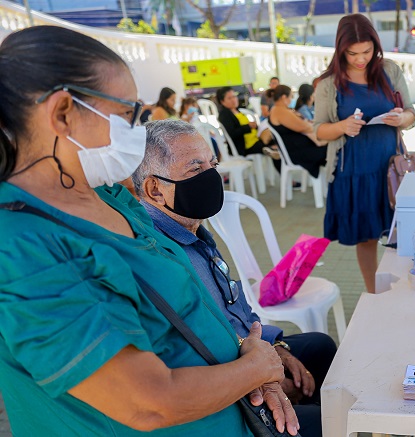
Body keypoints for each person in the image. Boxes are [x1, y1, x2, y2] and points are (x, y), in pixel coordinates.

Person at [0, 26, 299, 435]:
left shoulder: (106, 195)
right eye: (126, 115)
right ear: (63, 113)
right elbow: (149, 403)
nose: (136, 131)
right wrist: (254, 368)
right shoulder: (20, 248)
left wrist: (250, 358)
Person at [132, 120, 337, 437]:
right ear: (154, 189)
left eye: (212, 165)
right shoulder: (163, 257)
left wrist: (275, 348)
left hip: (250, 356)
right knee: (325, 423)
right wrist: (263, 374)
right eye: (195, 169)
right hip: (225, 388)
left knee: (320, 347)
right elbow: (208, 349)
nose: (212, 177)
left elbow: (236, 309)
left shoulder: (193, 231)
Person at [314, 14, 415, 293]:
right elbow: (319, 131)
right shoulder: (328, 83)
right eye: (353, 53)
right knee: (367, 238)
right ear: (340, 49)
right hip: (354, 171)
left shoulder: (390, 70)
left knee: (404, 234)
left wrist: (401, 118)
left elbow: (411, 113)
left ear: (375, 45)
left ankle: (410, 288)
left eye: (367, 51)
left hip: (391, 168)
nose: (361, 59)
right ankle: (375, 293)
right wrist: (342, 126)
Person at [268, 85, 328, 177]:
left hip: (299, 148)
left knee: (332, 146)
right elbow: (304, 127)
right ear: (284, 97)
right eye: (291, 96)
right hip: (299, 152)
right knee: (334, 148)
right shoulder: (280, 111)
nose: (292, 99)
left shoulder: (279, 110)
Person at [216, 86, 272, 157]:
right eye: (229, 98)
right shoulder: (224, 115)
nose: (234, 100)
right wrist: (248, 126)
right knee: (273, 146)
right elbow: (232, 133)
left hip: (255, 140)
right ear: (222, 101)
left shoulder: (237, 111)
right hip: (245, 147)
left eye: (234, 96)